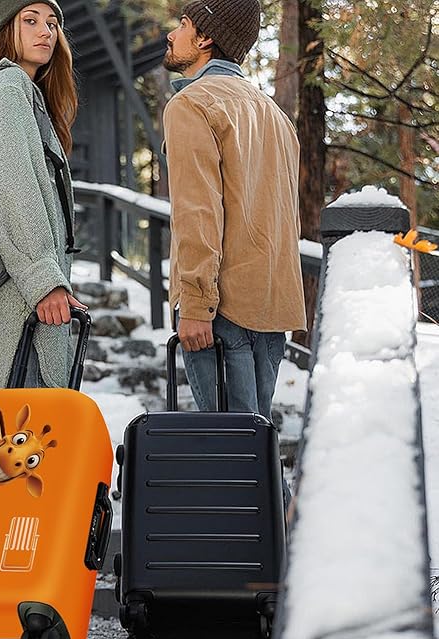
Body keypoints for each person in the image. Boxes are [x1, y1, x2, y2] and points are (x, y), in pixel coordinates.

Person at [163, 0, 307, 420]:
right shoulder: (275, 115)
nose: (172, 34)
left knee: (231, 447)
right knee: (256, 441)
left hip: (219, 312)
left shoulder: (191, 105)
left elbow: (197, 212)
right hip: (271, 311)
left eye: (183, 24)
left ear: (205, 38)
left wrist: (195, 305)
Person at [0, 0, 86, 391]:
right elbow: (13, 189)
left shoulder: (15, 91)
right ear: (5, 29)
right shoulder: (8, 89)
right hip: (19, 310)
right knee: (21, 424)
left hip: (8, 303)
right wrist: (44, 280)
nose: (46, 32)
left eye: (52, 23)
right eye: (30, 20)